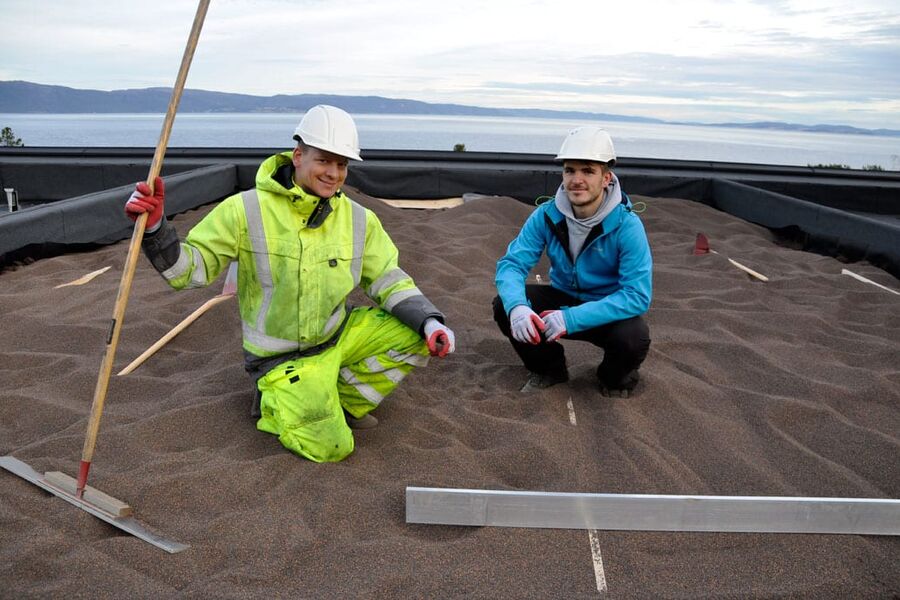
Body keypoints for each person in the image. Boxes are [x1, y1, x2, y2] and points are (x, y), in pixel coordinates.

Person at [125, 105, 455, 462]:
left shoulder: (360, 220)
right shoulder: (245, 210)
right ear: (298, 156)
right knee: (332, 447)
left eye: (342, 164)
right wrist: (156, 229)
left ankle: (339, 400)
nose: (333, 173)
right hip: (280, 361)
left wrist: (429, 321)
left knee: (413, 334)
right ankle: (275, 403)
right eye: (324, 161)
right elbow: (189, 272)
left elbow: (389, 278)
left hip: (335, 338)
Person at [493, 126, 651, 397]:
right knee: (503, 305)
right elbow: (512, 265)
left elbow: (636, 295)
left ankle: (612, 377)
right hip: (562, 297)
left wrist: (572, 318)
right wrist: (518, 307)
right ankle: (549, 369)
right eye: (570, 170)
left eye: (588, 170)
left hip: (605, 309)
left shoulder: (628, 225)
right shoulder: (546, 215)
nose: (576, 179)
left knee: (633, 338)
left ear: (606, 178)